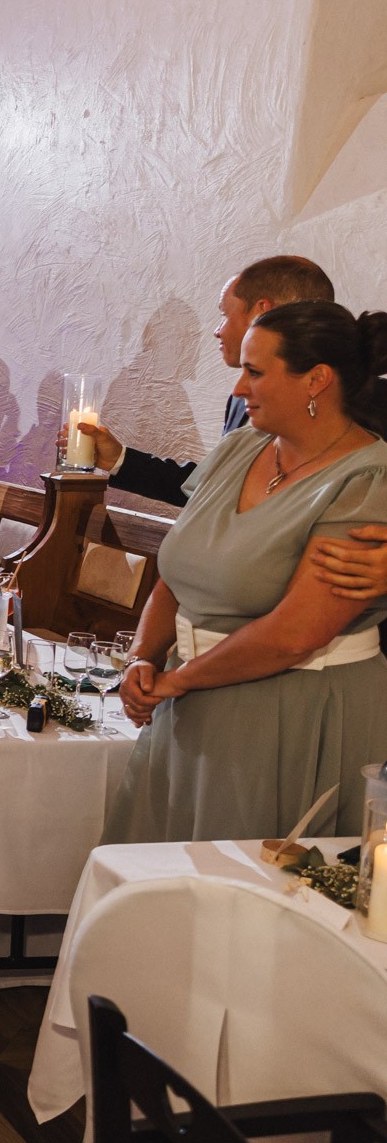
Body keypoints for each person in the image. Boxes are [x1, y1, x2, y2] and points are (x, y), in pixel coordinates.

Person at [107, 302, 387, 844]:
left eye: (254, 372)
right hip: (189, 700)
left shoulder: (364, 479)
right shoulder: (240, 448)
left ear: (317, 381)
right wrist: (144, 656)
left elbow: (294, 635)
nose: (238, 389)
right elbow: (178, 570)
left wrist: (176, 680)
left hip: (289, 711)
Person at [67, 256, 336, 505]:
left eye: (224, 314)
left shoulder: (359, 402)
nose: (217, 332)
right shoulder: (240, 402)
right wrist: (119, 460)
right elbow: (213, 488)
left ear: (260, 313)